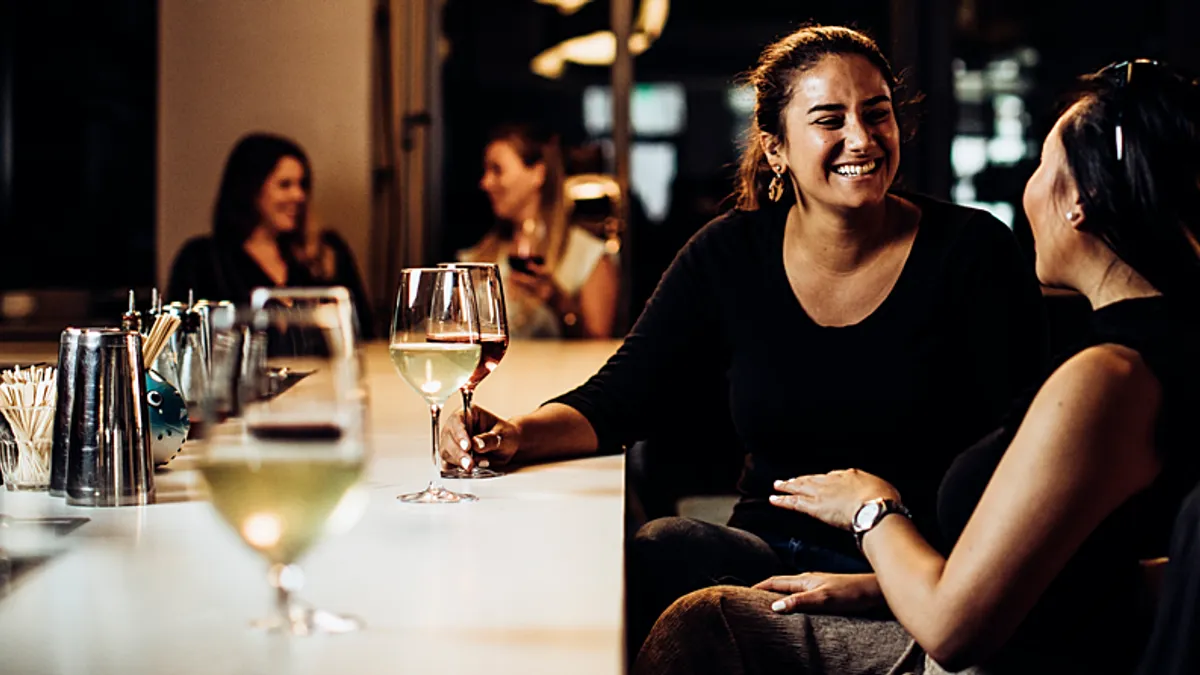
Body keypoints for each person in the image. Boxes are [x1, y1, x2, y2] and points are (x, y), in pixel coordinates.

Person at [440, 24, 1049, 661]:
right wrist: (509, 433)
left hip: (916, 570)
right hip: (767, 555)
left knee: (701, 622)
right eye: (829, 119)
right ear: (776, 147)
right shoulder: (730, 252)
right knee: (660, 548)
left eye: (878, 114)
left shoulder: (973, 253)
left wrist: (886, 583)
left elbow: (1021, 468)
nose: (862, 139)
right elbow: (617, 399)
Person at [635, 59, 1200, 675]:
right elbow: (1106, 565)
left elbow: (955, 635)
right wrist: (890, 583)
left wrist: (871, 510)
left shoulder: (1107, 380)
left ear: (1080, 202)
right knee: (676, 551)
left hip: (998, 654)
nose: (1027, 188)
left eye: (1042, 165)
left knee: (705, 624)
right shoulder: (1161, 348)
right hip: (973, 607)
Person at [166, 132, 375, 337]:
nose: (299, 195)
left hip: (327, 372)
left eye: (302, 185)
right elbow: (183, 342)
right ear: (251, 189)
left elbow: (364, 333)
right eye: (285, 185)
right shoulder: (203, 260)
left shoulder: (326, 251)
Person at [458, 123, 619, 338]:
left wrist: (556, 300)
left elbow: (599, 346)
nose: (485, 183)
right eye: (486, 171)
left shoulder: (589, 257)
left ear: (537, 174)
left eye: (497, 170)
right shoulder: (478, 255)